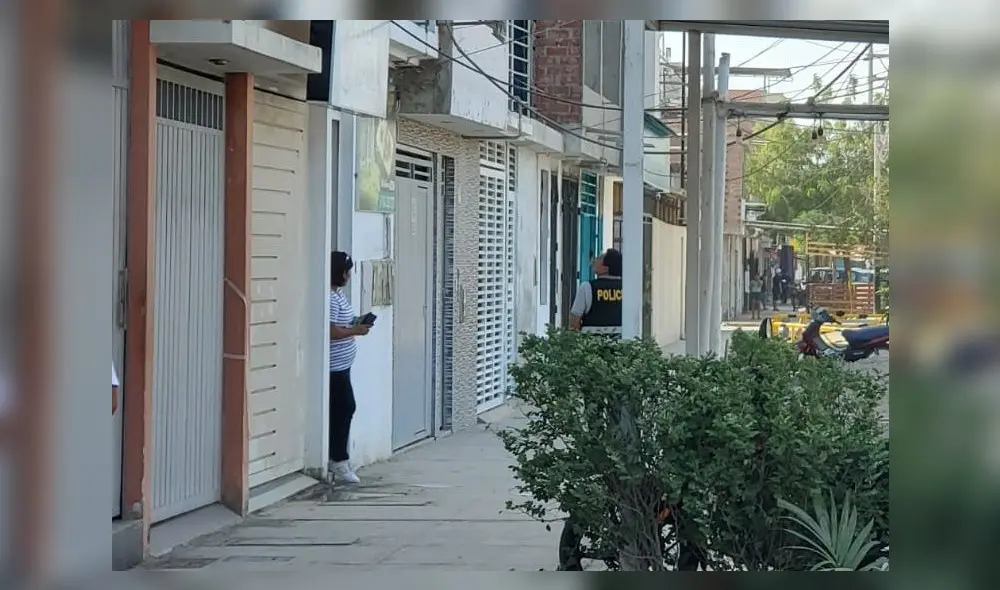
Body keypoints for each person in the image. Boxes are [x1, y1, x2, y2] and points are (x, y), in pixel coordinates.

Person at [328, 251, 371, 485]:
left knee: (343, 409)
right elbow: (331, 330)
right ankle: (339, 460)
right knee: (345, 408)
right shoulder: (329, 298)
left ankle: (339, 457)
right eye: (347, 272)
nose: (348, 276)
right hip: (334, 368)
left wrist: (358, 322)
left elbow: (343, 322)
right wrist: (355, 331)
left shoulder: (338, 294)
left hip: (344, 365)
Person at [569, 248, 623, 336]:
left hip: (591, 345)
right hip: (621, 343)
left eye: (599, 258)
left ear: (605, 268)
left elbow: (574, 320)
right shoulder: (627, 289)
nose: (594, 261)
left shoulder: (587, 287)